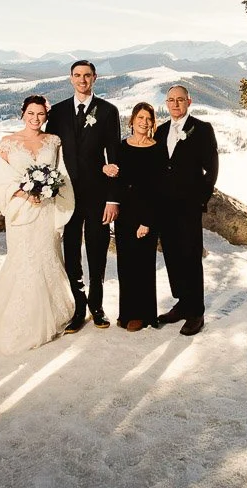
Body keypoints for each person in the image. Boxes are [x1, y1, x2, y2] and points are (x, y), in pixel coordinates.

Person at [0, 96, 76, 353]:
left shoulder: (54, 141)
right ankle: (21, 321)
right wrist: (26, 192)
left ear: (46, 115)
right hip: (22, 212)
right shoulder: (8, 143)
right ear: (22, 113)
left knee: (48, 257)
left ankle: (52, 316)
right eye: (31, 113)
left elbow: (62, 173)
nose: (35, 118)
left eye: (41, 114)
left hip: (47, 212)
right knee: (24, 260)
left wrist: (49, 190)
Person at [44, 60, 120, 333]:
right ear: (70, 78)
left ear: (95, 78)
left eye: (87, 76)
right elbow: (49, 151)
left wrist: (113, 199)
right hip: (66, 194)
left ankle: (97, 306)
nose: (82, 80)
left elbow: (115, 158)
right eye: (77, 75)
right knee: (72, 251)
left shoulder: (108, 111)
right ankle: (78, 308)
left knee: (98, 250)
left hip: (99, 195)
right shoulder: (59, 111)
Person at [154, 85, 218, 336]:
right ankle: (182, 303)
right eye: (171, 100)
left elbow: (211, 169)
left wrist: (200, 200)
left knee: (191, 257)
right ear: (167, 103)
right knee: (171, 255)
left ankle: (196, 312)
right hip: (164, 206)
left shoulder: (202, 129)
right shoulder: (159, 131)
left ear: (189, 102)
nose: (176, 104)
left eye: (180, 100)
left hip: (188, 206)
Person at [106, 102, 165, 331]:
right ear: (131, 121)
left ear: (153, 122)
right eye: (140, 118)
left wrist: (147, 221)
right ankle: (127, 312)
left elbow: (158, 188)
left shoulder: (157, 149)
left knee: (143, 265)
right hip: (125, 215)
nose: (144, 122)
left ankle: (143, 315)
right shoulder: (122, 147)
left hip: (146, 215)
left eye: (148, 118)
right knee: (126, 265)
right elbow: (117, 180)